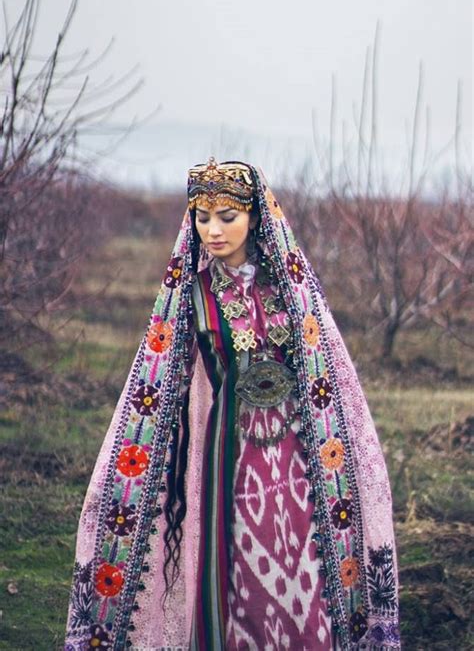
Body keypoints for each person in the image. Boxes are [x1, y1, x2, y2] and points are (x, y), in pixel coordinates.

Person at [64, 158, 400, 650]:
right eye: (202, 217)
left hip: (300, 463)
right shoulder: (192, 296)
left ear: (254, 217)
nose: (213, 230)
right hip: (229, 465)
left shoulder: (291, 291)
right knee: (239, 577)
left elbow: (332, 373)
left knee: (307, 574)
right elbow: (159, 384)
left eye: (227, 216)